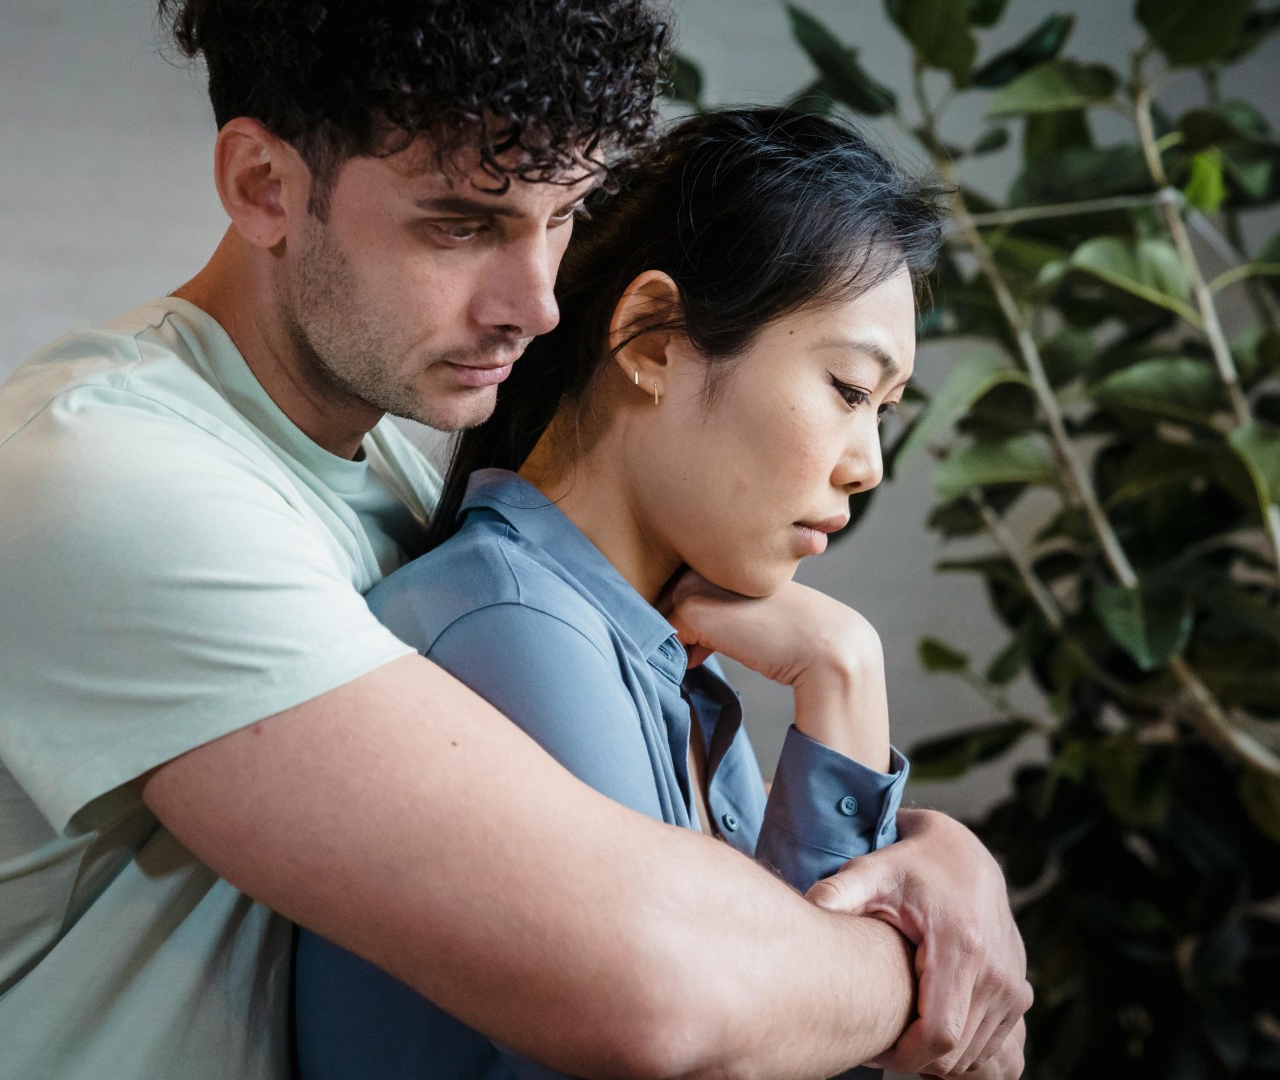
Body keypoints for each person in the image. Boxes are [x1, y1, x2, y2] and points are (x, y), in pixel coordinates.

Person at [0, 3, 1031, 1078]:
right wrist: (924, 956)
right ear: (262, 184)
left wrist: (943, 860)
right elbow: (663, 991)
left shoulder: (407, 467)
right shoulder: (113, 486)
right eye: (462, 226)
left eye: (560, 221)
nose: (541, 302)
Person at [293, 104, 1006, 1080]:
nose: (867, 466)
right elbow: (773, 1047)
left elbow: (796, 1000)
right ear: (653, 339)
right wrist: (844, 678)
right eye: (848, 390)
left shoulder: (630, 642)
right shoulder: (510, 628)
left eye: (885, 412)